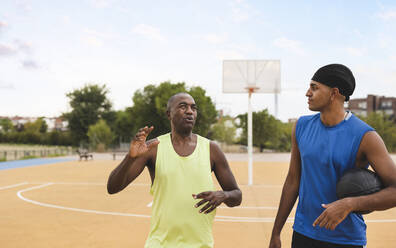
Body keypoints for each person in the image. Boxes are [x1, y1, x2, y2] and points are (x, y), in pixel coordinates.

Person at [269, 64, 396, 248]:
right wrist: (276, 233)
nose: (307, 93)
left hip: (345, 240)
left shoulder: (366, 136)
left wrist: (351, 203)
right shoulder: (301, 126)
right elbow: (292, 181)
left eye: (314, 87)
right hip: (304, 233)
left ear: (333, 93)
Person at [107, 92, 242, 248]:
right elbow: (113, 187)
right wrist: (130, 158)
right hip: (160, 244)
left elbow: (237, 196)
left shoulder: (211, 149)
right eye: (183, 107)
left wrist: (223, 195)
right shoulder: (153, 148)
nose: (190, 111)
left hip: (201, 244)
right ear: (169, 114)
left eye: (193, 108)